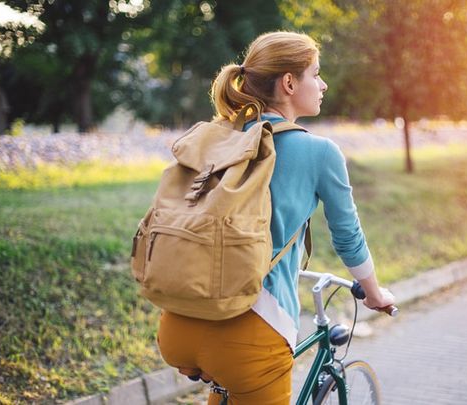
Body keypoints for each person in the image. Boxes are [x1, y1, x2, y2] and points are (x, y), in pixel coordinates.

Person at [156, 31, 396, 405]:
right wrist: (375, 294)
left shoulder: (220, 138)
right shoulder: (319, 152)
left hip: (178, 322)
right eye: (316, 73)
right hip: (250, 332)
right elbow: (347, 237)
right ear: (288, 83)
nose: (324, 84)